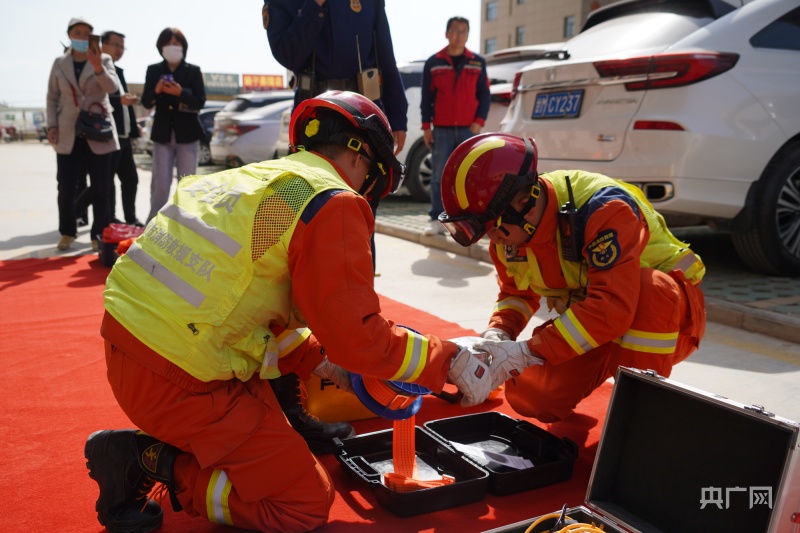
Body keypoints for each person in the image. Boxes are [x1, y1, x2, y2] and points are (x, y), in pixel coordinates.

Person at [84, 91, 493, 533]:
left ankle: (177, 447)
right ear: (362, 158)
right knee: (301, 504)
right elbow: (359, 337)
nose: (367, 192)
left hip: (135, 350)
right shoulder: (331, 201)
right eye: (375, 180)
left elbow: (247, 304)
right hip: (183, 381)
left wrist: (322, 362)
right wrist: (448, 361)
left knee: (279, 449)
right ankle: (152, 461)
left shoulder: (253, 181)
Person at [438, 133, 707, 423]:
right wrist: (499, 333)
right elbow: (516, 294)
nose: (491, 239)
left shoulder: (602, 208)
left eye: (491, 228)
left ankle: (638, 416)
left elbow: (612, 307)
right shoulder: (506, 235)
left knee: (652, 290)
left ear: (522, 201)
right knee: (531, 397)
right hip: (595, 323)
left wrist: (526, 352)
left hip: (668, 323)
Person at [264, 0, 410, 446]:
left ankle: (358, 337)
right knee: (294, 236)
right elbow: (287, 53)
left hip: (363, 122)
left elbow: (384, 49)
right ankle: (297, 367)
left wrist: (397, 115)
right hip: (315, 125)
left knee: (356, 229)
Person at [46, 16, 119, 251]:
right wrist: (52, 126)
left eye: (87, 33)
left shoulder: (104, 59)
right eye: (77, 32)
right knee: (66, 186)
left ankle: (99, 234)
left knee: (101, 186)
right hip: (68, 132)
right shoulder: (59, 63)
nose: (82, 37)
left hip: (98, 130)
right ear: (69, 35)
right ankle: (67, 232)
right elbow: (52, 97)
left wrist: (97, 67)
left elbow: (112, 88)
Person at [420, 16, 490, 236]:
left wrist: (479, 122)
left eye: (464, 31)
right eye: (455, 30)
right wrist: (426, 127)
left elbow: (485, 95)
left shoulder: (477, 62)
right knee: (439, 176)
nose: (459, 35)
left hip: (469, 130)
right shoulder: (434, 63)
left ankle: (467, 220)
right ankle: (435, 219)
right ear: (447, 33)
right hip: (442, 130)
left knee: (469, 176)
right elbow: (426, 98)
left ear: (468, 35)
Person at [141, 27, 206, 223]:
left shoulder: (193, 71)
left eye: (176, 44)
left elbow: (200, 101)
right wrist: (157, 90)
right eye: (168, 44)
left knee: (187, 183)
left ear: (183, 47)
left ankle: (185, 224)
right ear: (161, 47)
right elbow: (145, 102)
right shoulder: (154, 70)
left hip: (188, 134)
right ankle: (154, 225)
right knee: (160, 183)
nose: (172, 48)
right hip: (162, 133)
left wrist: (180, 93)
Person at [101, 30, 144, 226]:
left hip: (124, 136)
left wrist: (134, 126)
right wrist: (119, 100)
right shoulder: (97, 68)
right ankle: (108, 219)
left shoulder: (119, 71)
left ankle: (130, 218)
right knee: (105, 182)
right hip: (107, 135)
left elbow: (124, 105)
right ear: (103, 45)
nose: (119, 50)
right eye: (115, 45)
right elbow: (95, 98)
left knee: (130, 179)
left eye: (122, 46)